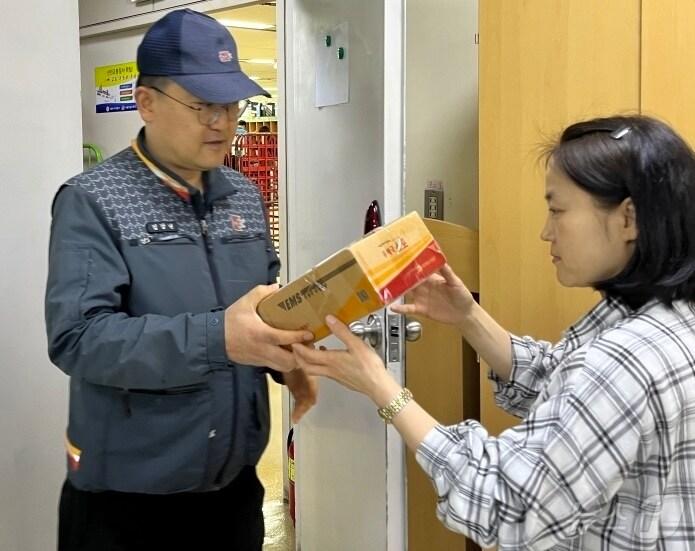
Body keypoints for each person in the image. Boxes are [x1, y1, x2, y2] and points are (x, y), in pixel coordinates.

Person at [293, 115, 695, 549]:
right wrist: (469, 317)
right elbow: (561, 382)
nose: (546, 231)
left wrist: (384, 390)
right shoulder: (667, 318)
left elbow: (507, 502)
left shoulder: (626, 360)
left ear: (628, 218)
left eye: (557, 210)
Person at [45, 9, 317, 551]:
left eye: (231, 104)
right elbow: (79, 339)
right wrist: (219, 338)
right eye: (202, 105)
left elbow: (260, 306)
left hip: (233, 492)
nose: (222, 120)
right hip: (129, 505)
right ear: (146, 102)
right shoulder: (94, 200)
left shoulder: (241, 195)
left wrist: (291, 355)